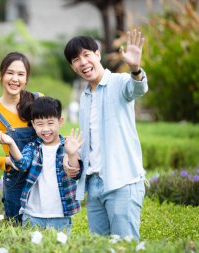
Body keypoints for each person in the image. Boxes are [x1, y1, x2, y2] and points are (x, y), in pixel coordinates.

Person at [63, 29, 148, 239]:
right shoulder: (84, 97)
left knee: (125, 246)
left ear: (98, 55)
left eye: (86, 55)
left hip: (122, 181)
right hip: (94, 184)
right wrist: (72, 158)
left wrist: (135, 68)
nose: (82, 62)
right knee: (99, 247)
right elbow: (90, 143)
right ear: (72, 67)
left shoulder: (119, 82)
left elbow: (137, 89)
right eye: (76, 59)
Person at [0, 96, 83, 233]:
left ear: (60, 122)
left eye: (50, 123)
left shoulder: (68, 146)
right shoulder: (33, 147)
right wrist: (11, 143)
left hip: (60, 216)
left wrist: (71, 154)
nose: (45, 129)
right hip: (32, 215)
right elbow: (22, 165)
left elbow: (75, 173)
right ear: (33, 125)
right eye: (40, 124)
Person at [0, 52, 41, 223]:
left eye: (21, 74)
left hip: (43, 177)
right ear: (0, 75)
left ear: (27, 78)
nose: (15, 79)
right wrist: (9, 161)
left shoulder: (38, 100)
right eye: (10, 73)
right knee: (17, 231)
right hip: (16, 182)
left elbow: (52, 135)